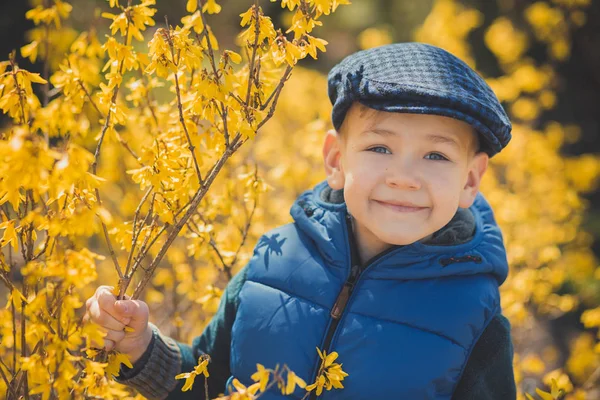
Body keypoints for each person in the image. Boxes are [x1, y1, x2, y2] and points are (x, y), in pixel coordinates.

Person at [84, 42, 517, 399]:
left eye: (436, 155)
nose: (403, 178)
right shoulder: (271, 267)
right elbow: (206, 382)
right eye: (379, 148)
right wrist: (141, 348)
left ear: (470, 180)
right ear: (335, 159)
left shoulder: (474, 321)